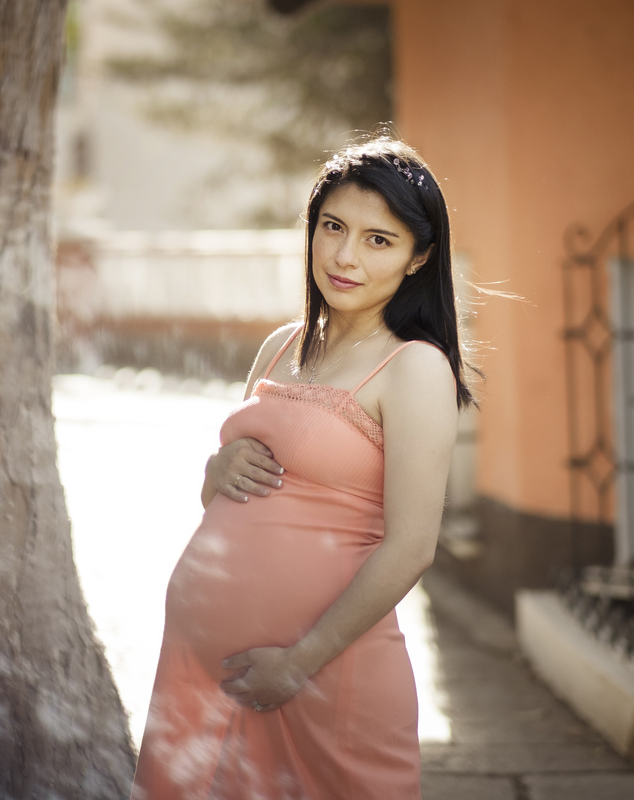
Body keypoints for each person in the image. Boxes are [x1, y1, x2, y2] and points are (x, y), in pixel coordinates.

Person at [131, 135, 475, 799]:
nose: (346, 256)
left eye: (380, 240)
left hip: (322, 676)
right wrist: (218, 467)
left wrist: (296, 666)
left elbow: (411, 549)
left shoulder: (413, 368)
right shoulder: (281, 345)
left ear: (418, 258)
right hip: (201, 676)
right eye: (334, 227)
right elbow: (240, 502)